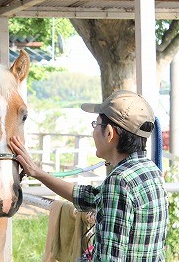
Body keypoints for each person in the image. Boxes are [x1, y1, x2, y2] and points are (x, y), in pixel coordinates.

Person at [10, 90, 168, 261]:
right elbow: (91, 197)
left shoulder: (119, 182)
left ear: (109, 133)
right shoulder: (150, 171)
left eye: (96, 124)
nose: (93, 132)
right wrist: (37, 172)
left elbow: (109, 259)